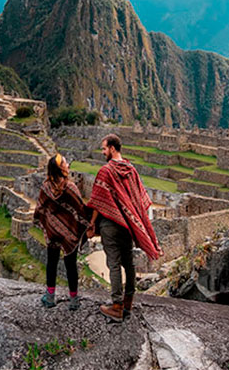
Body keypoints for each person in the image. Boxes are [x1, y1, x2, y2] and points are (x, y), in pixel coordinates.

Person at [86, 134, 162, 322]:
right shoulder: (131, 170)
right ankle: (128, 303)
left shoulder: (106, 171)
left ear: (112, 148)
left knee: (113, 264)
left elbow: (97, 201)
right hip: (128, 224)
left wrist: (91, 224)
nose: (103, 152)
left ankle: (117, 306)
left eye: (104, 149)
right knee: (128, 263)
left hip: (110, 224)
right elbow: (140, 199)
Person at [34, 153, 92, 310]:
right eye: (65, 163)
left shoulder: (45, 187)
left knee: (51, 263)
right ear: (60, 168)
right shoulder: (70, 187)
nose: (68, 165)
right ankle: (73, 300)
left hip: (53, 232)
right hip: (69, 234)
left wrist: (48, 223)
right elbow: (80, 209)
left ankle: (50, 297)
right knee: (71, 265)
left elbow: (40, 208)